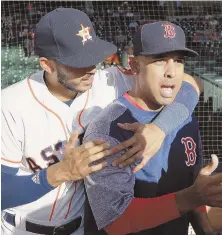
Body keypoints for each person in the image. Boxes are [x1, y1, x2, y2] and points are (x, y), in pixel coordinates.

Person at [1, 9, 202, 235]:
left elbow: (190, 84)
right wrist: (60, 172)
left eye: (93, 56)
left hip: (81, 227)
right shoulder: (10, 106)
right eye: (78, 62)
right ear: (47, 65)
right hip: (22, 229)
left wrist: (159, 128)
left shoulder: (108, 81)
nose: (90, 68)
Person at [83, 22, 222, 235]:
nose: (171, 72)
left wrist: (204, 227)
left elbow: (193, 186)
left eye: (178, 61)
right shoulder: (109, 128)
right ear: (134, 65)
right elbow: (115, 221)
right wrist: (192, 197)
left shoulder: (183, 115)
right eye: (159, 61)